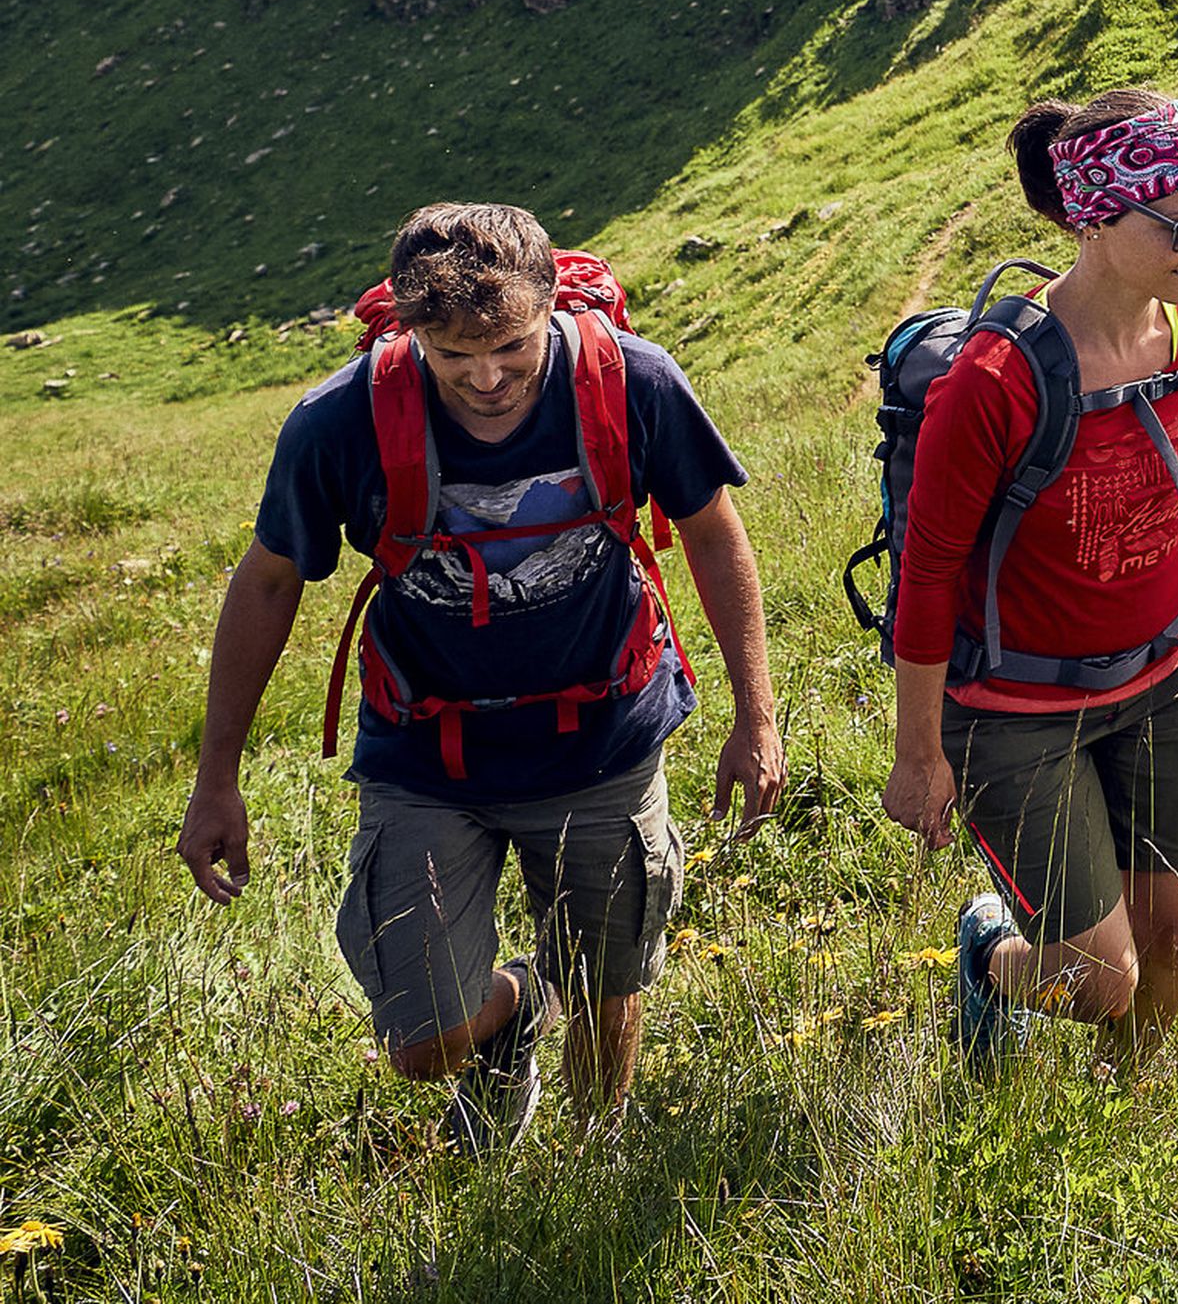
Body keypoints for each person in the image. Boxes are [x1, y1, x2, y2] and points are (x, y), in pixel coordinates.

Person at [176, 203, 786, 1147]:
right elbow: (266, 581)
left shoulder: (634, 382)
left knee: (608, 984)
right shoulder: (340, 420)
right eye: (452, 356)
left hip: (604, 735)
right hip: (428, 751)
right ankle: (520, 1009)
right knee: (423, 1040)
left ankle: (589, 1158)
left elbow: (712, 529)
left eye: (509, 346)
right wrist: (217, 776)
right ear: (407, 325)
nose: (486, 378)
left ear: (552, 303)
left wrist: (757, 714)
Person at [880, 88, 1178, 1068]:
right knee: (1103, 975)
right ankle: (988, 954)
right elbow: (930, 569)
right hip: (1015, 709)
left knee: (1170, 938)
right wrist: (920, 752)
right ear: (1095, 216)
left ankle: (1134, 1116)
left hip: (1169, 672)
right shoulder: (996, 380)